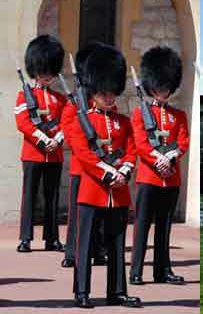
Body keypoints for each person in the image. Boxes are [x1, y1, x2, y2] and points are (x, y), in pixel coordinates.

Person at [69, 46, 141, 308]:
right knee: (85, 245)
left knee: (117, 245)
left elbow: (132, 149)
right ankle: (82, 292)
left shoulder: (123, 122)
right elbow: (83, 154)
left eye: (112, 93)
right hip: (92, 191)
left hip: (118, 192)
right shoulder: (82, 120)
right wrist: (108, 171)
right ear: (93, 92)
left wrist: (124, 170)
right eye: (103, 93)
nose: (109, 98)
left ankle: (118, 291)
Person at [130, 46, 189, 285]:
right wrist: (159, 159)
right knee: (142, 226)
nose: (163, 91)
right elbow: (141, 143)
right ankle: (136, 271)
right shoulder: (139, 114)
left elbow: (183, 141)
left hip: (171, 177)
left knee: (164, 228)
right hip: (149, 177)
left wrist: (171, 158)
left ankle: (162, 270)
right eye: (159, 86)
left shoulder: (179, 115)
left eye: (166, 86)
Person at [14, 35, 66, 253]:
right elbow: (23, 122)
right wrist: (44, 139)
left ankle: (52, 238)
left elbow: (67, 123)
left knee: (52, 196)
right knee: (30, 196)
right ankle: (25, 238)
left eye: (50, 71)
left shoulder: (59, 99)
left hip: (54, 154)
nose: (47, 75)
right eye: (43, 70)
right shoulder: (24, 96)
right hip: (33, 153)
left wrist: (57, 139)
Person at [60, 42, 108, 268]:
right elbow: (67, 132)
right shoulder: (74, 104)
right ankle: (72, 252)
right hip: (81, 167)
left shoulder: (105, 106)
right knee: (77, 214)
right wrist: (84, 146)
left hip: (101, 166)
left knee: (100, 213)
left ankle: (98, 250)